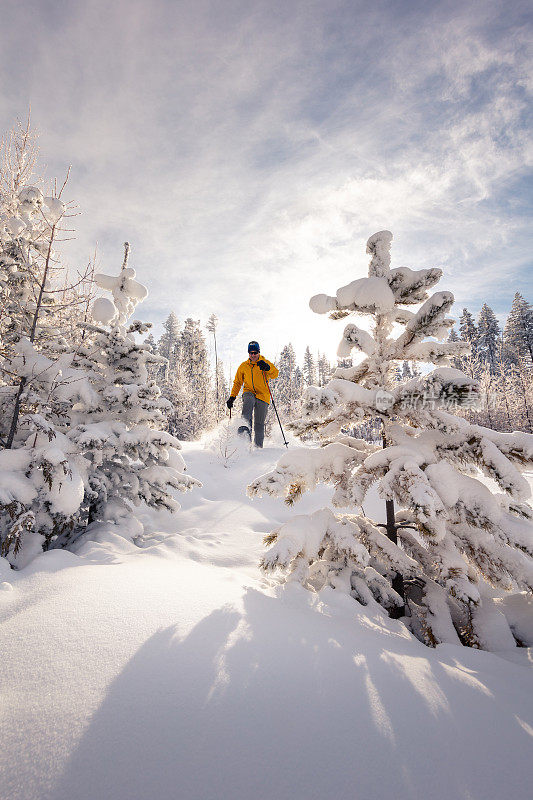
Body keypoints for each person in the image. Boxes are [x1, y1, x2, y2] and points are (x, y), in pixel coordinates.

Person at [226, 341, 279, 448]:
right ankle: (244, 435)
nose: (253, 355)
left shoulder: (265, 362)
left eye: (255, 352)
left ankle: (258, 449)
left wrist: (267, 367)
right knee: (248, 401)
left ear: (259, 352)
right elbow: (237, 382)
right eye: (251, 353)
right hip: (249, 392)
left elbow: (275, 374)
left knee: (259, 424)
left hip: (263, 395)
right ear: (248, 353)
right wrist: (232, 397)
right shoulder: (244, 366)